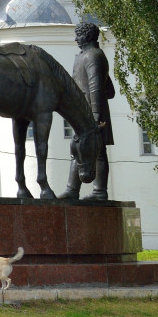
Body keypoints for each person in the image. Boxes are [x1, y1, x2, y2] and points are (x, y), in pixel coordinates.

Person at [60, 23, 115, 200]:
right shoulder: (89, 56)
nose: (76, 39)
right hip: (83, 113)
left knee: (98, 151)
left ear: (87, 36)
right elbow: (109, 90)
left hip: (92, 114)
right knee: (78, 150)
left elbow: (97, 87)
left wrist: (96, 115)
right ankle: (72, 190)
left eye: (79, 35)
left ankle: (99, 191)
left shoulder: (93, 56)